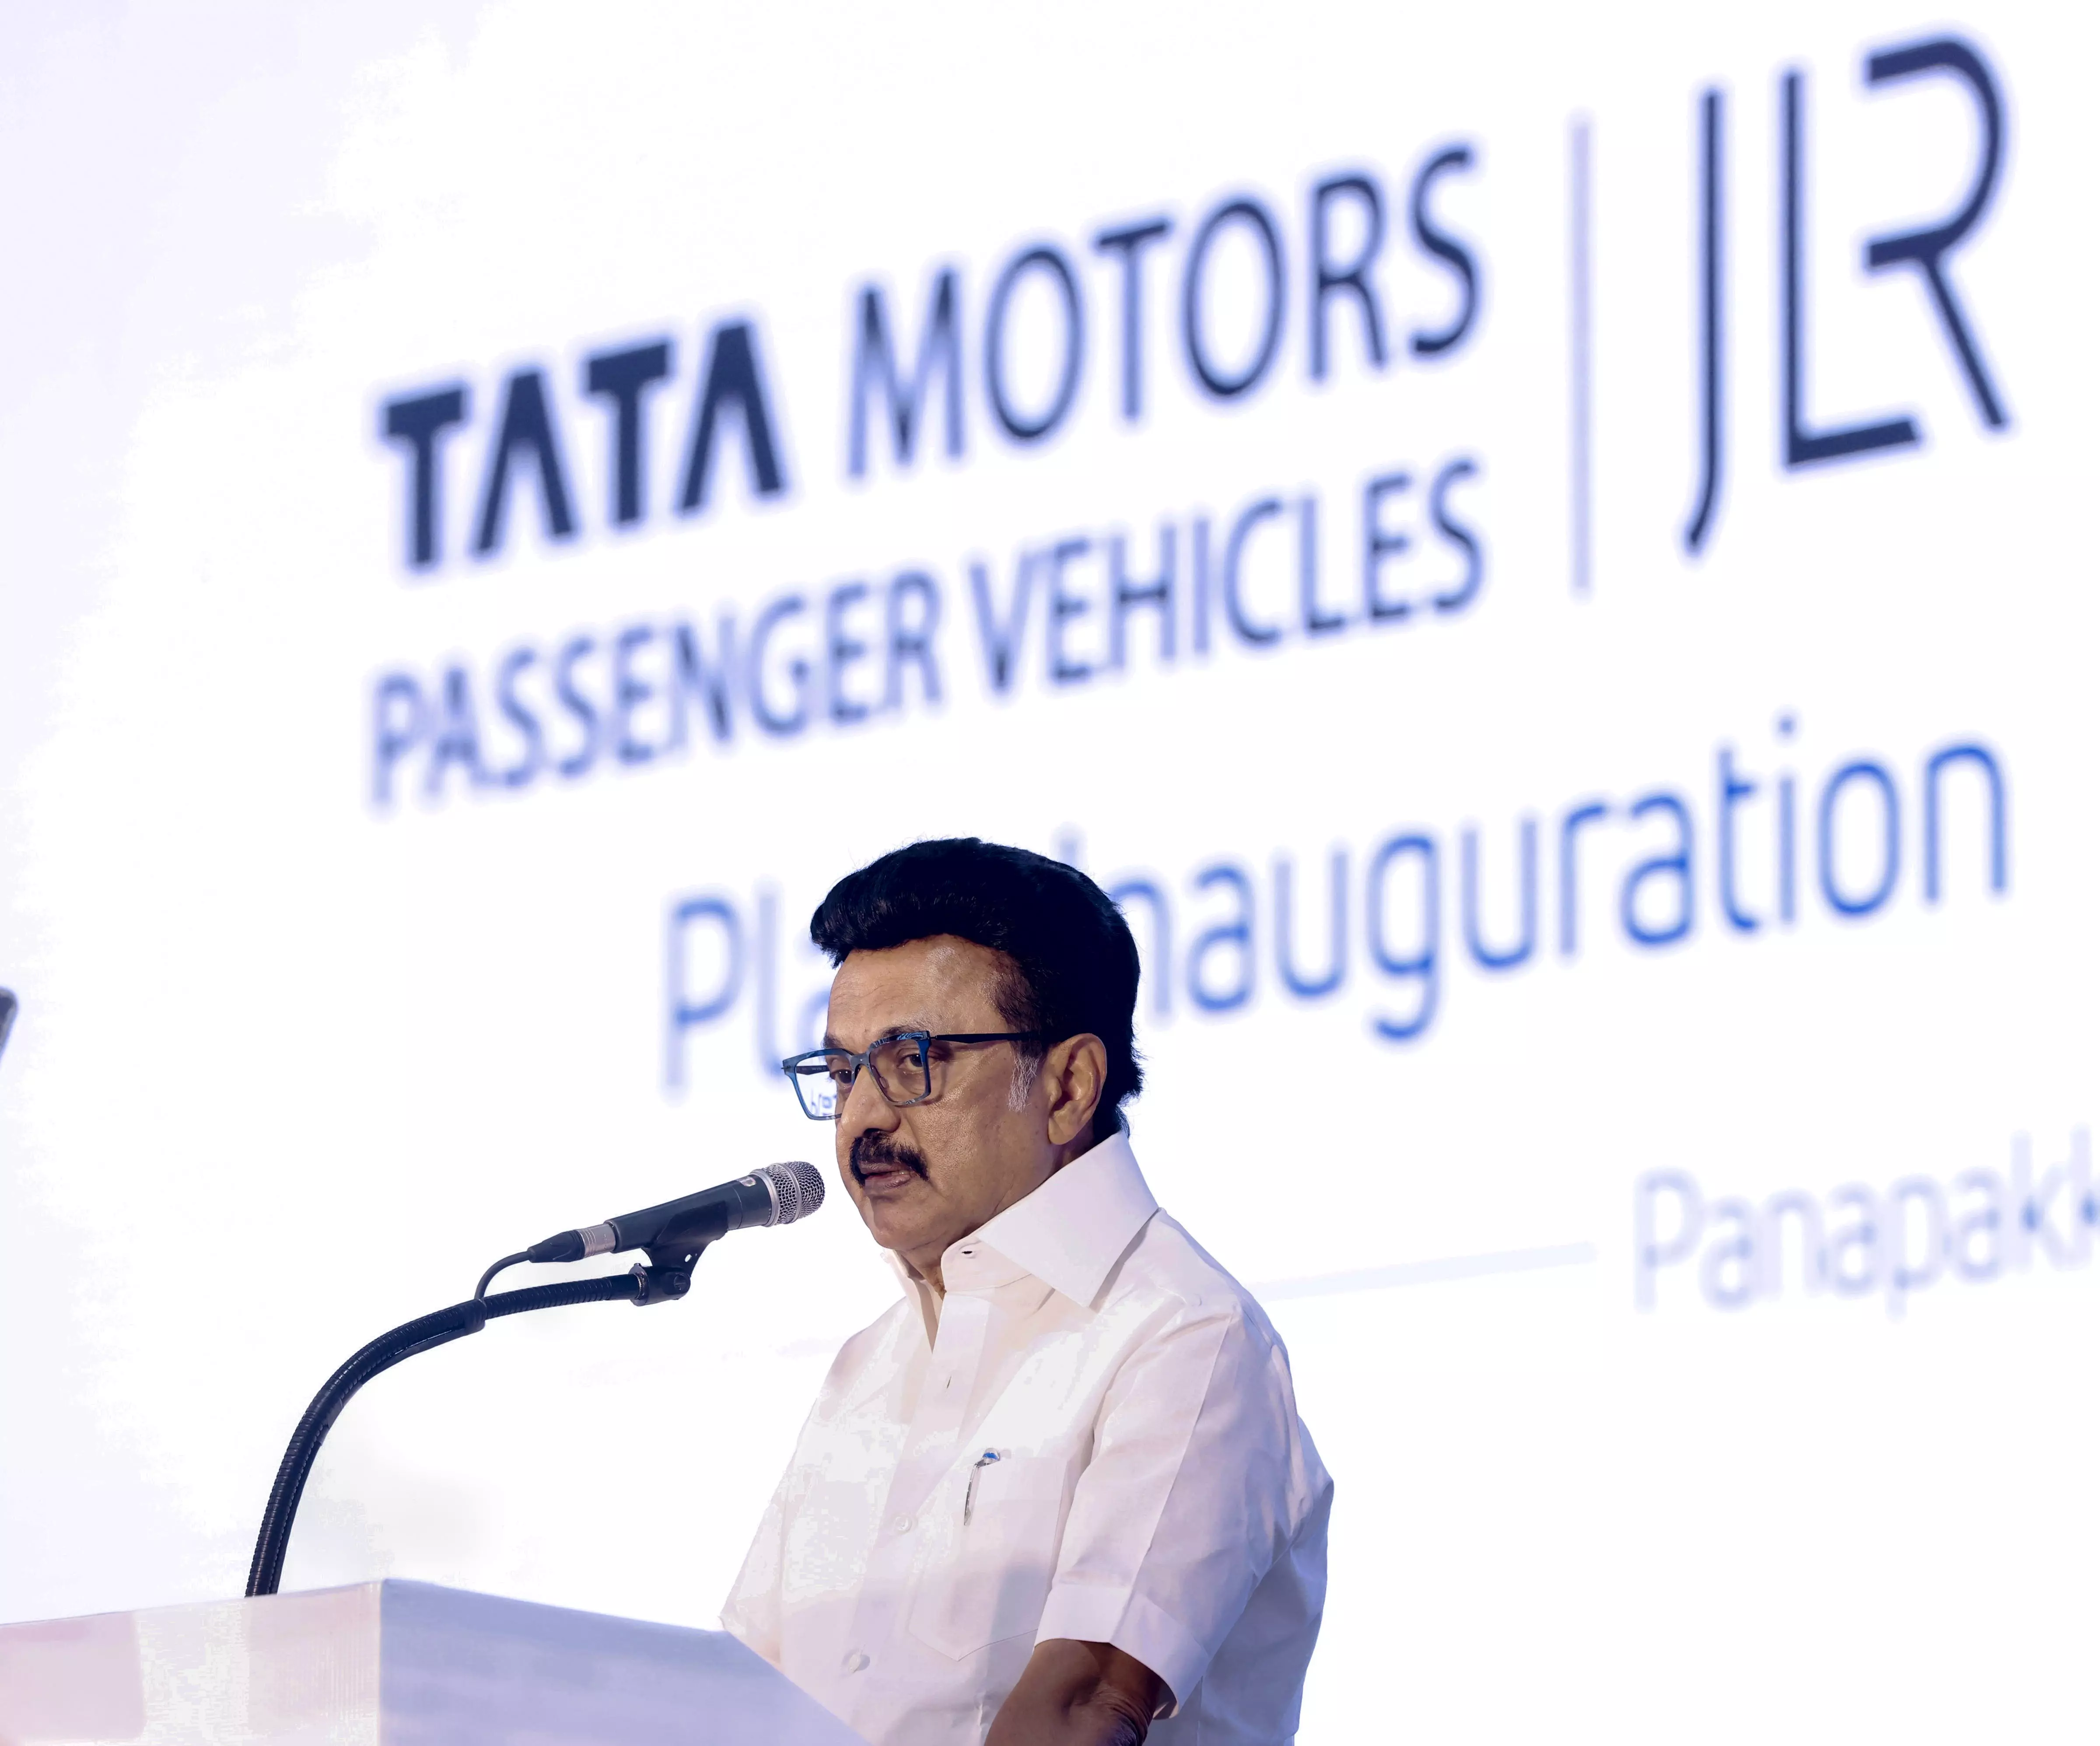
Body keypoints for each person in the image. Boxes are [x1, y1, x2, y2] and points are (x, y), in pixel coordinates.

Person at [723, 838, 1331, 1746]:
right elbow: (739, 1701)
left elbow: (1083, 1710)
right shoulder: (869, 1365)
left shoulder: (1184, 1337)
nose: (862, 1117)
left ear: (1068, 1086)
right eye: (844, 1073)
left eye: (912, 1061)